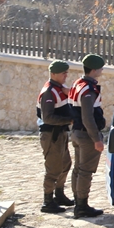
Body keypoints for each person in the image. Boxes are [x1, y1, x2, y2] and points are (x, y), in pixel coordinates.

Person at [68, 53, 107, 219]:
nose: (102, 70)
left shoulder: (78, 83)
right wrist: (96, 139)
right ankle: (81, 206)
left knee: (78, 169)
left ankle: (79, 202)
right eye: (100, 68)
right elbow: (88, 116)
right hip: (86, 135)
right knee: (85, 171)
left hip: (77, 132)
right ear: (93, 70)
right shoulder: (88, 89)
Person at [37, 59, 75, 213]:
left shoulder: (59, 88)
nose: (66, 75)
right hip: (51, 134)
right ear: (53, 74)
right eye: (62, 73)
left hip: (60, 133)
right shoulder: (49, 92)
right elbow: (48, 117)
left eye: (66, 72)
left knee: (65, 164)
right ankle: (47, 201)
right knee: (53, 168)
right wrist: (70, 120)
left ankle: (59, 194)